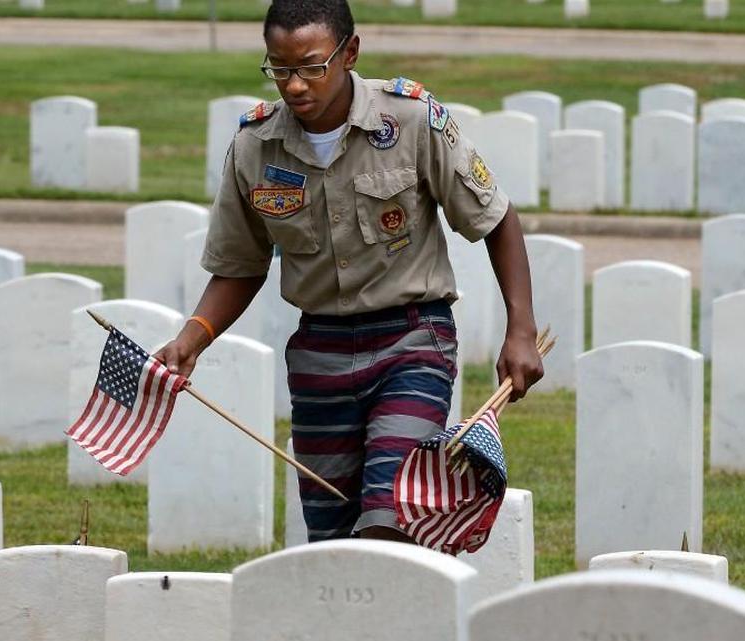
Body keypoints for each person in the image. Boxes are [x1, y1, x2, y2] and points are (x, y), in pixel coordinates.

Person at [154, 0, 543, 544]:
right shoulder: (254, 145)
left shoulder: (409, 119)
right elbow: (240, 266)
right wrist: (192, 338)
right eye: (279, 68)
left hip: (411, 339)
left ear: (350, 53)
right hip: (320, 352)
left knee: (391, 516)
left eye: (312, 66)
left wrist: (520, 330)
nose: (294, 85)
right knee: (332, 537)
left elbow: (495, 217)